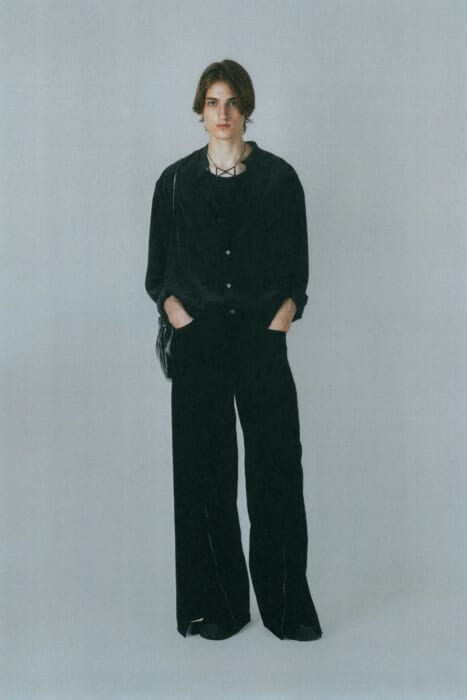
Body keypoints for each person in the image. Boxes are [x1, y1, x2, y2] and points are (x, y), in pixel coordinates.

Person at [145, 59, 322, 642]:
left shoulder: (279, 179)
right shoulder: (174, 183)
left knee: (276, 470)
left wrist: (279, 321)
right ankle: (217, 606)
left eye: (232, 102)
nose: (222, 113)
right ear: (200, 111)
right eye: (212, 102)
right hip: (198, 343)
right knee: (204, 473)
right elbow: (157, 274)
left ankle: (286, 607)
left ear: (247, 108)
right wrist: (180, 318)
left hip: (258, 340)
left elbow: (297, 272)